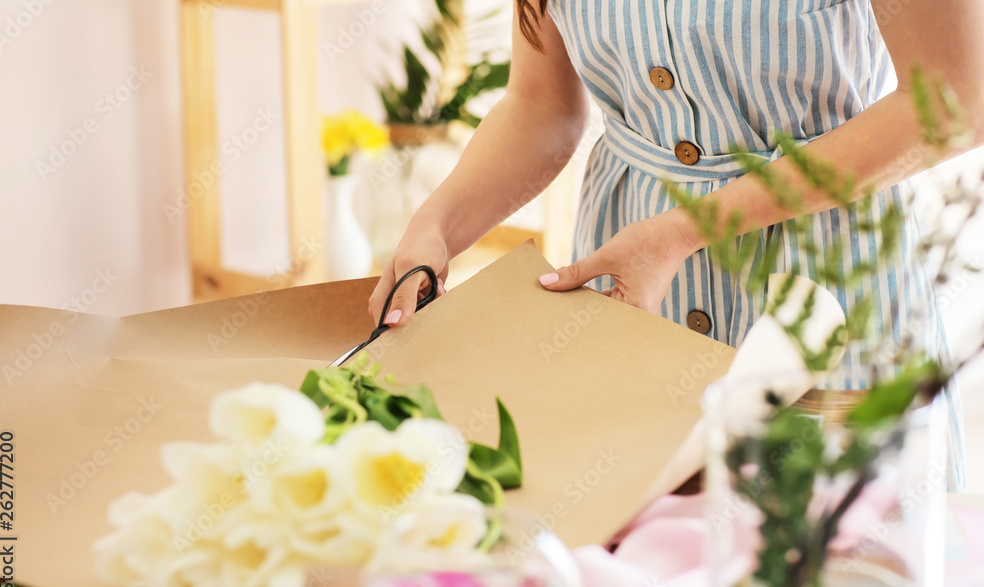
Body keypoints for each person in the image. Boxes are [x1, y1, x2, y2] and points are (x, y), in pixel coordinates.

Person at [369, 0, 984, 490]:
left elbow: (953, 104)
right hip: (628, 288)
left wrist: (684, 231)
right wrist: (437, 225)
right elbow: (541, 106)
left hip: (824, 285)